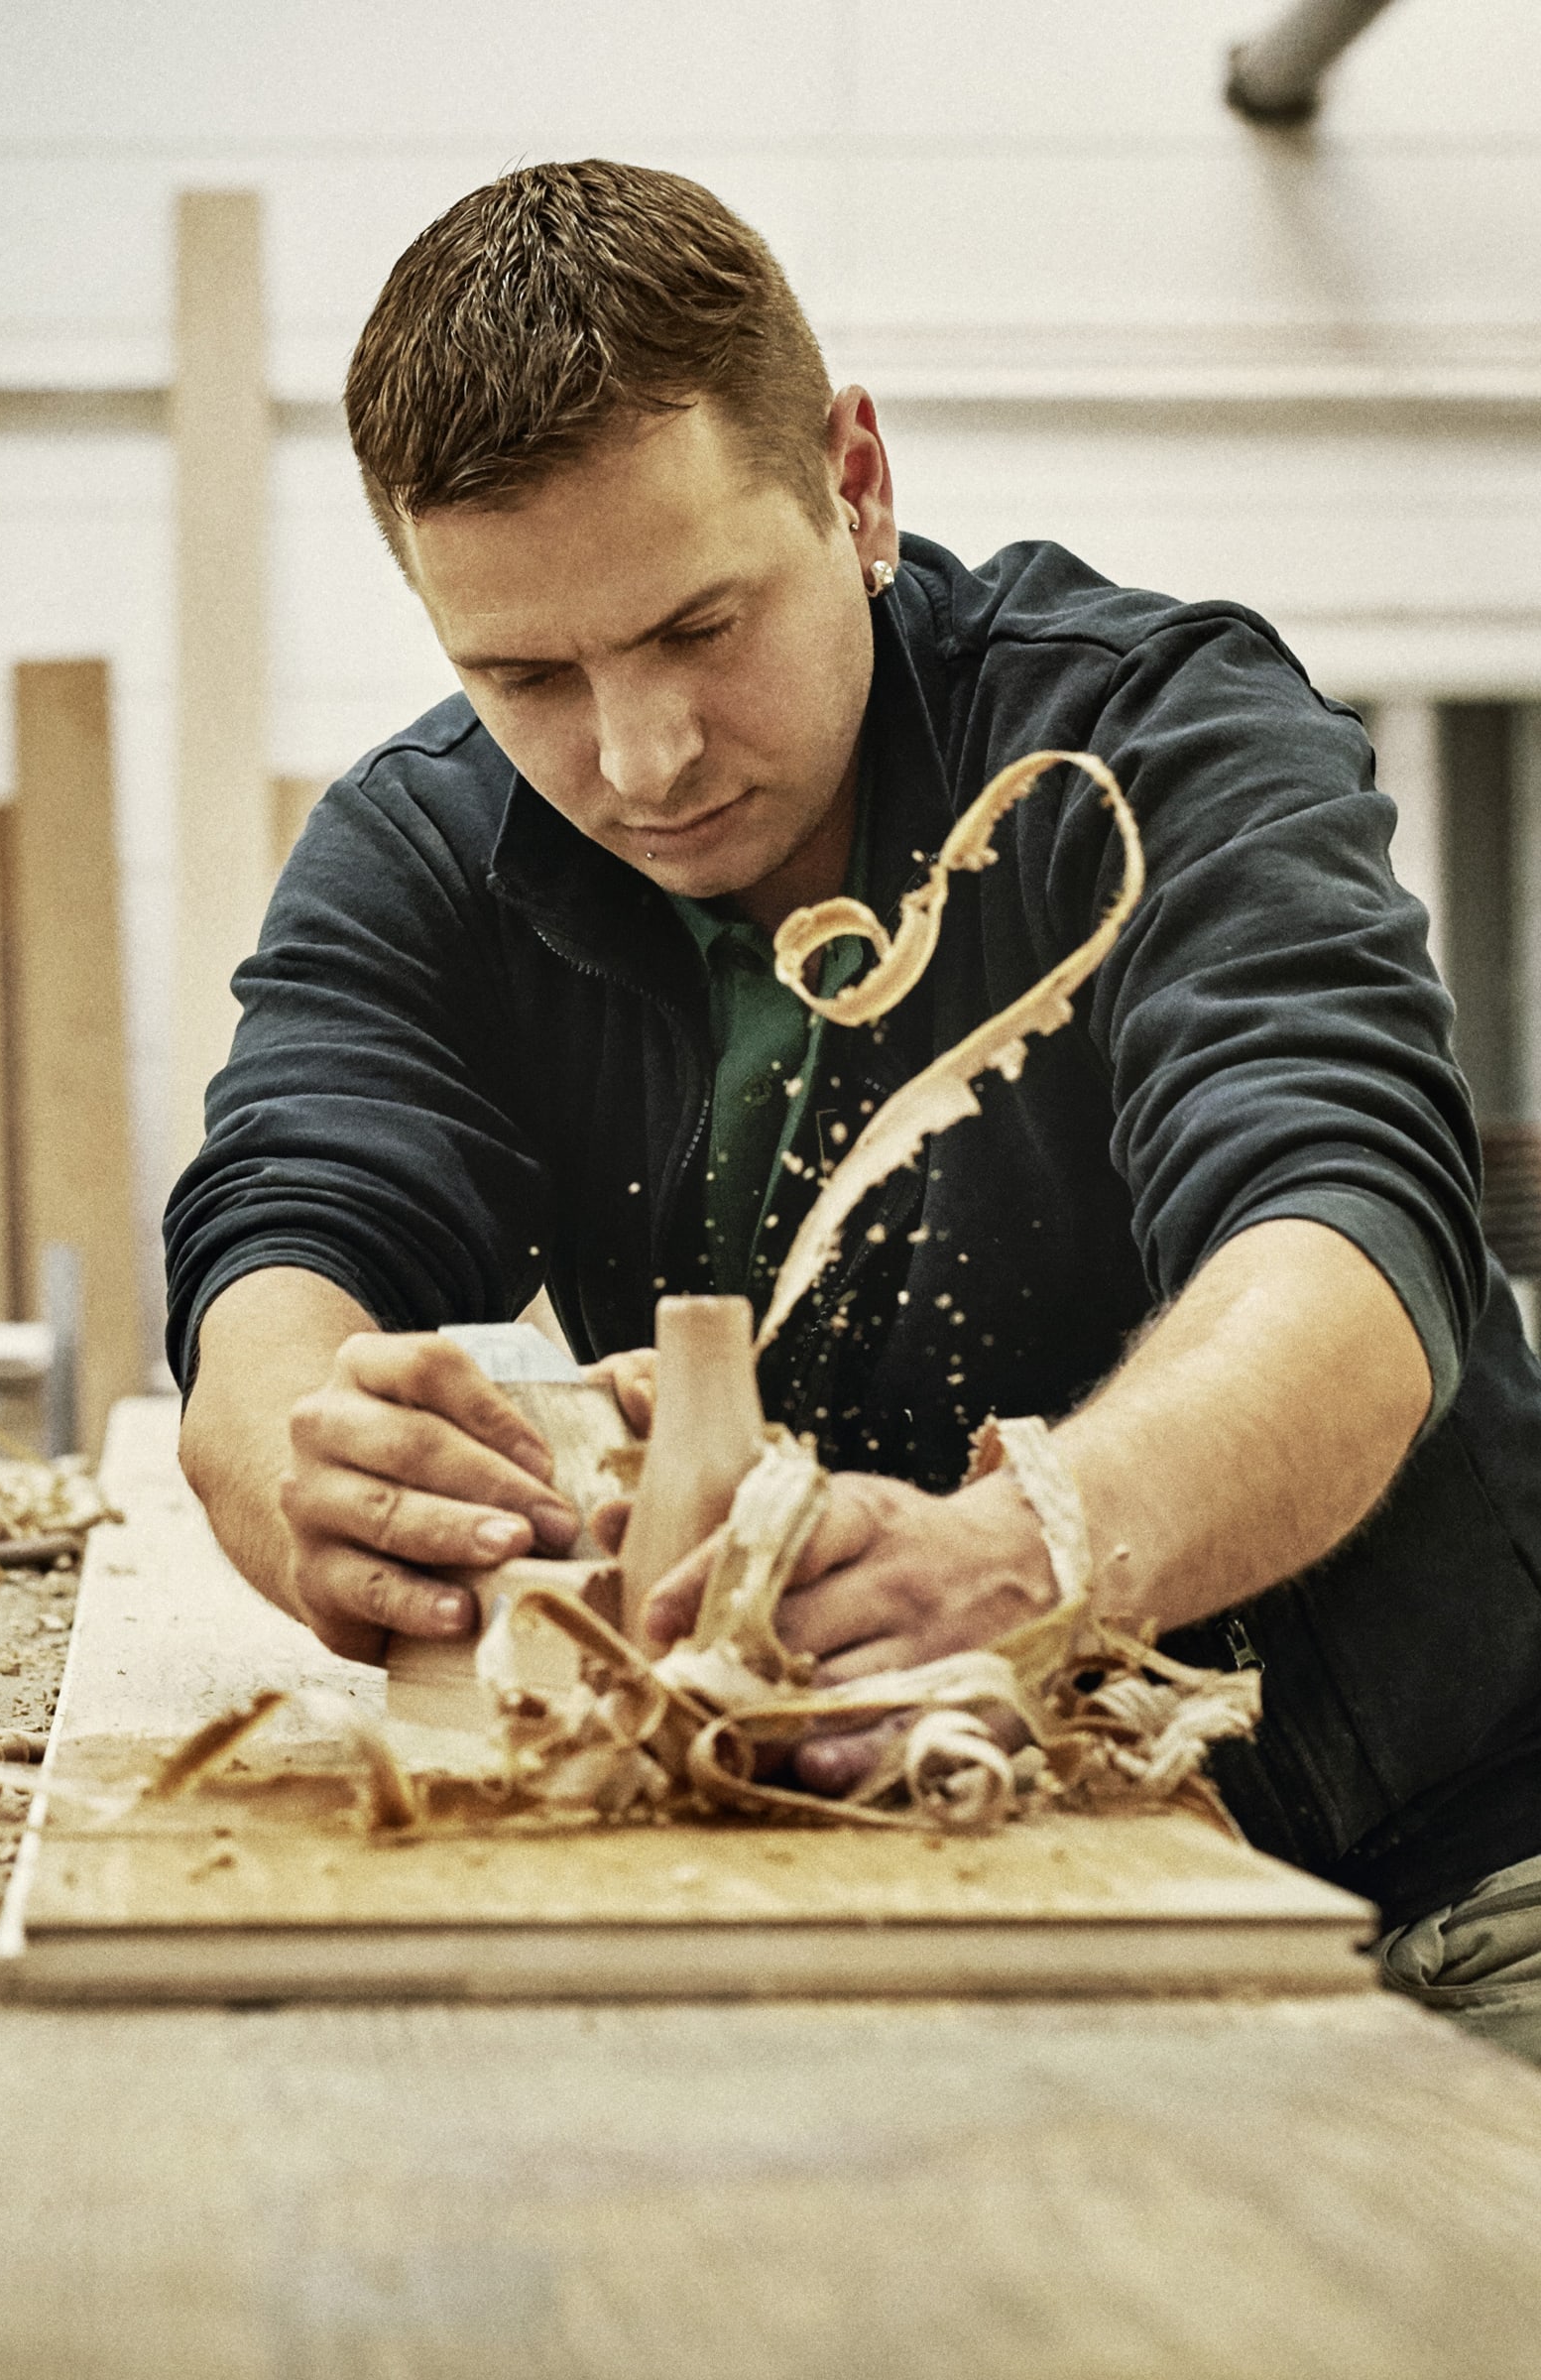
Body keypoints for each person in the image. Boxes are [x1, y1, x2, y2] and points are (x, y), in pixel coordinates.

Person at [168, 160, 1541, 2058]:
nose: (641, 758)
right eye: (525, 674)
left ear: (856, 483)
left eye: (699, 628)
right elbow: (283, 1236)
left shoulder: (1149, 740)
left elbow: (1347, 1236)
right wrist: (310, 1468)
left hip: (1447, 1872)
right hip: (906, 1881)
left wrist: (1042, 1547)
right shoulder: (426, 857)